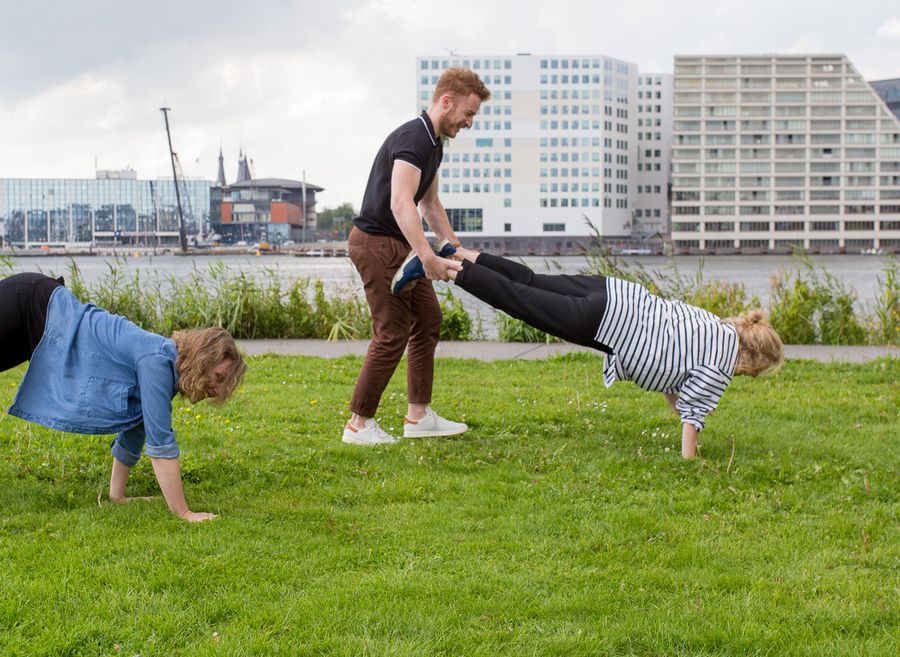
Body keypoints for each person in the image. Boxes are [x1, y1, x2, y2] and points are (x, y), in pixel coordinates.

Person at [393, 247, 784, 459]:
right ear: (753, 360)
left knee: (531, 280)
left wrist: (680, 405)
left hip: (614, 292)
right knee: (520, 301)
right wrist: (691, 462)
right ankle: (439, 266)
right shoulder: (720, 369)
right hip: (603, 321)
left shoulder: (717, 327)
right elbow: (692, 419)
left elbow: (670, 372)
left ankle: (458, 252)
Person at [1, 273, 247, 521]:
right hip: (30, 303)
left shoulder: (165, 369)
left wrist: (117, 497)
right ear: (203, 361)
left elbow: (134, 429)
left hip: (38, 319)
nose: (216, 391)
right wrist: (184, 513)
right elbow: (161, 446)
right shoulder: (157, 364)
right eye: (218, 378)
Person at [343, 67, 491, 446]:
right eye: (468, 113)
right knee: (391, 331)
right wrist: (427, 258)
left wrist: (454, 248)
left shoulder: (434, 143)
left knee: (427, 319)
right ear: (447, 101)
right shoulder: (414, 138)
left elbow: (429, 203)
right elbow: (400, 202)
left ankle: (419, 416)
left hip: (398, 246)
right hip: (377, 243)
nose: (469, 123)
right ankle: (358, 425)